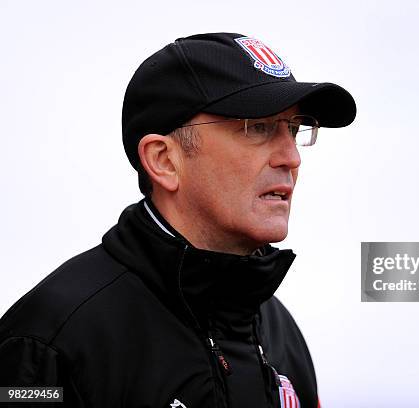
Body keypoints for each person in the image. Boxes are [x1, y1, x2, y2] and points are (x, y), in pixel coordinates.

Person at [0, 33, 356, 407]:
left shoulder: (280, 330)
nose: (291, 157)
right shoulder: (48, 343)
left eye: (295, 129)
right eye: (259, 128)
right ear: (164, 160)